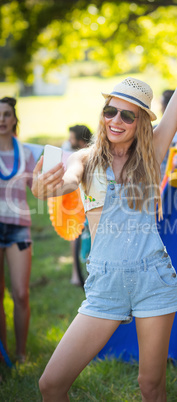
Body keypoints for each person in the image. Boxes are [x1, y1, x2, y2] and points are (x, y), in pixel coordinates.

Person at [32, 21, 177, 401]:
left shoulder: (152, 154)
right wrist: (45, 187)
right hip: (106, 282)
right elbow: (66, 179)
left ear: (141, 122)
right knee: (50, 384)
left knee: (150, 385)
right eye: (110, 111)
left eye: (127, 115)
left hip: (154, 277)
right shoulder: (87, 159)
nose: (115, 121)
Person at [0, 97, 36, 363]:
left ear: (14, 119)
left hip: (18, 229)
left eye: (6, 114)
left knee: (21, 294)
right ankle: (3, 355)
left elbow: (39, 188)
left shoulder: (25, 153)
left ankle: (21, 354)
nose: (1, 119)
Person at [62, 124, 93, 285]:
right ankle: (77, 273)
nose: (68, 141)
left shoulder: (90, 157)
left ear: (81, 142)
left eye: (72, 138)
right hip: (73, 202)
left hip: (87, 203)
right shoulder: (71, 153)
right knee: (75, 235)